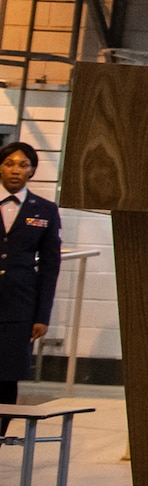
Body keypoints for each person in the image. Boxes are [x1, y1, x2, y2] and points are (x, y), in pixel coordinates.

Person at [0, 141, 60, 419]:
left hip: (19, 305)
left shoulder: (45, 210)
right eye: (9, 163)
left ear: (32, 170)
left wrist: (42, 316)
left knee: (8, 374)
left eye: (23, 165)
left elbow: (50, 267)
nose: (15, 170)